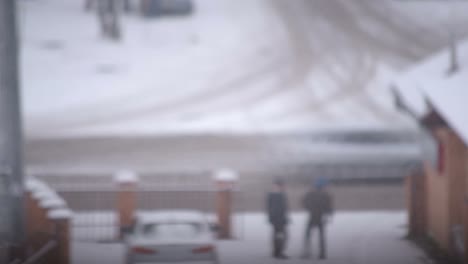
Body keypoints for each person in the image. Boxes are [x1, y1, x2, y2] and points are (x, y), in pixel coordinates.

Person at [301, 177, 333, 260]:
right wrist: (328, 215)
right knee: (321, 236)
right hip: (321, 217)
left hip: (312, 216)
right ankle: (322, 253)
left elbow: (304, 202)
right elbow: (329, 207)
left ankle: (306, 252)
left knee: (308, 235)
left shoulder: (310, 193)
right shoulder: (326, 195)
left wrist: (309, 209)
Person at [266, 179, 289, 259]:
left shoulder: (280, 194)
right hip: (277, 219)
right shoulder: (274, 195)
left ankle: (277, 252)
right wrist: (272, 218)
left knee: (278, 235)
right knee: (280, 236)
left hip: (280, 219)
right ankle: (279, 252)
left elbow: (284, 208)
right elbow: (271, 208)